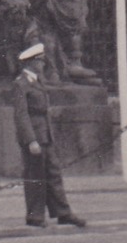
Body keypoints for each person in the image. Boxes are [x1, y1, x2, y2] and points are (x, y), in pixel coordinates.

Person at [10, 43, 87, 230]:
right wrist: (31, 140)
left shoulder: (37, 82)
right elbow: (21, 115)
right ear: (31, 63)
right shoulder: (20, 84)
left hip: (46, 135)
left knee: (53, 173)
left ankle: (63, 213)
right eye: (40, 60)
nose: (43, 63)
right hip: (35, 138)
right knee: (35, 176)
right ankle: (35, 216)